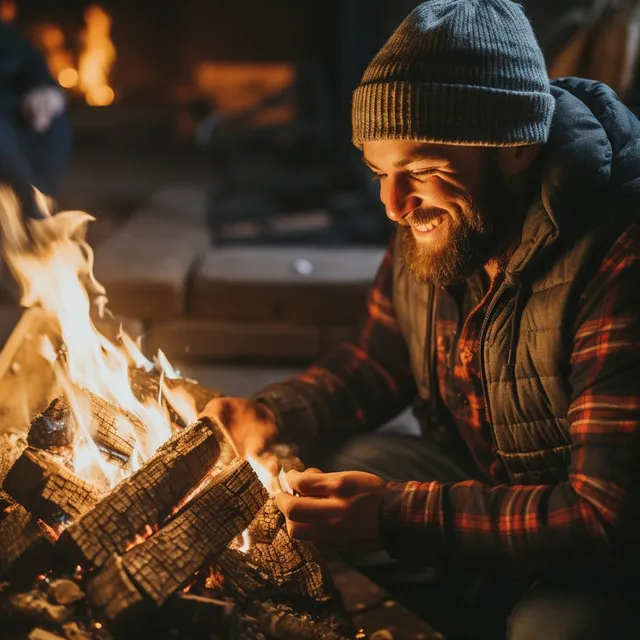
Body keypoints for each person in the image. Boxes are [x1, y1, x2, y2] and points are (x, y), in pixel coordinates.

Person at [200, 1, 640, 637]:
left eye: (421, 171)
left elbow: (605, 518)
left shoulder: (618, 255)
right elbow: (381, 357)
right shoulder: (447, 219)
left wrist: (396, 516)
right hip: (496, 495)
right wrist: (272, 413)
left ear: (517, 147)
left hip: (606, 553)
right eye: (379, 172)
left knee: (555, 629)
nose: (393, 204)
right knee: (336, 469)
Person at [0, 21, 71, 220]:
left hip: (15, 109)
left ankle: (40, 202)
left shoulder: (7, 36)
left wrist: (44, 89)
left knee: (54, 121)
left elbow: (31, 62)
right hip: (8, 109)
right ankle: (29, 209)